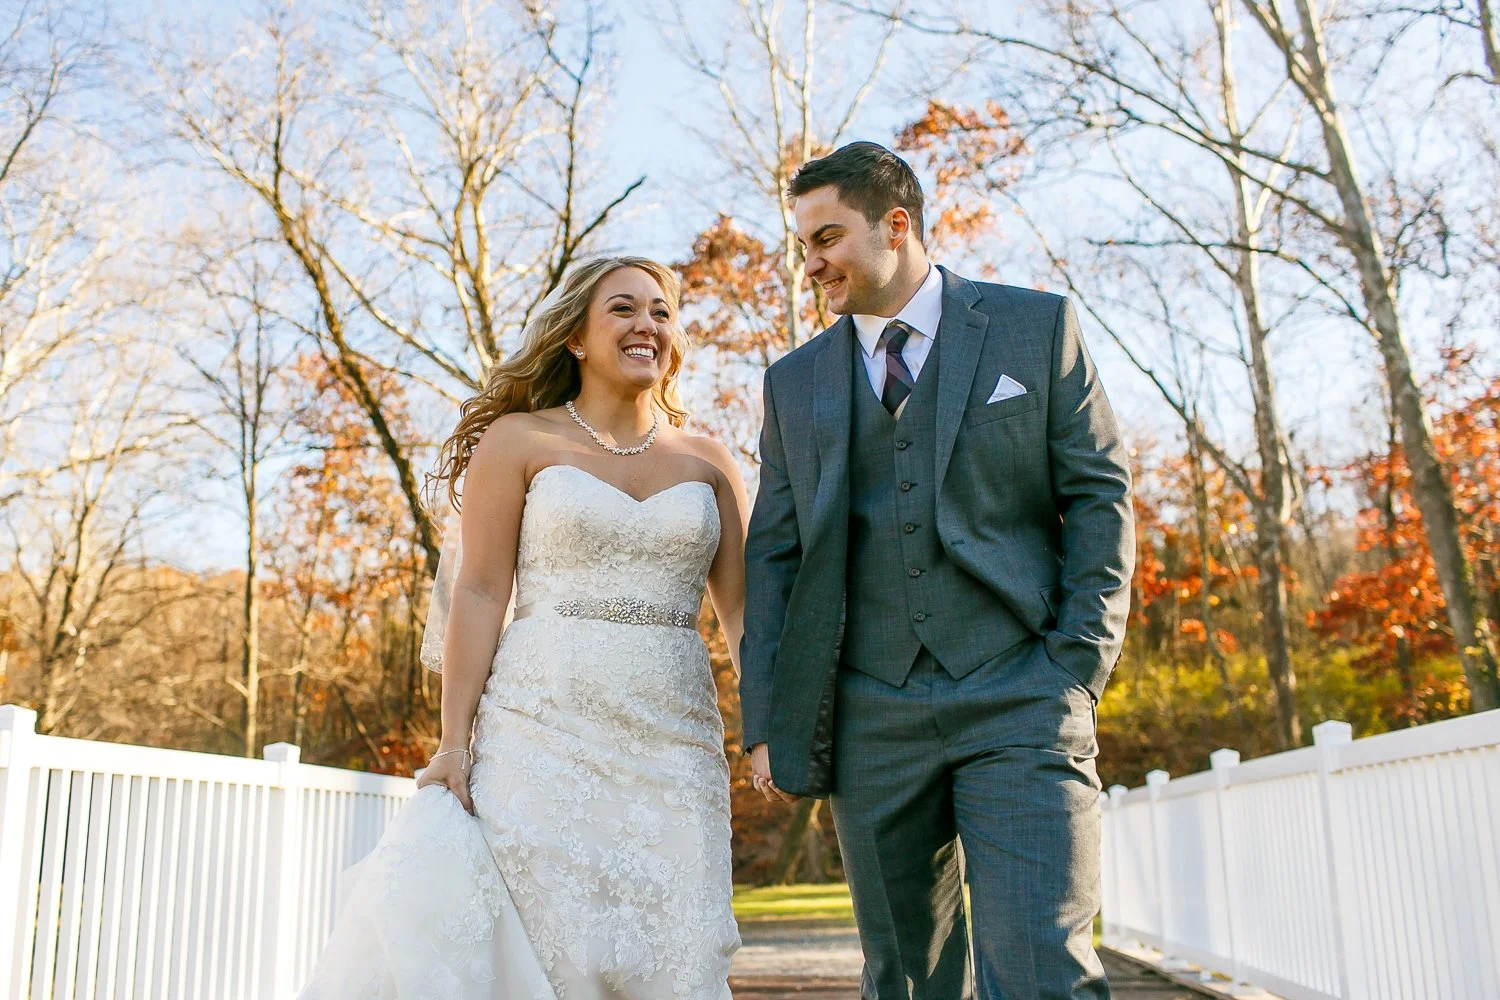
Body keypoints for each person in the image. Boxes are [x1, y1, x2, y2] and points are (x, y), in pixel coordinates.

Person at [739, 142, 1135, 999]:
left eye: (827, 239)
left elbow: (1099, 496)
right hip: (869, 712)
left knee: (1043, 970)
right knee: (907, 981)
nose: (812, 264)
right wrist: (769, 714)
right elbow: (774, 554)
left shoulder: (1035, 328)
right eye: (804, 245)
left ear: (897, 225)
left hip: (1022, 691)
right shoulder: (793, 383)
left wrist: (1078, 662)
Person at [300, 256, 746, 999]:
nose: (647, 324)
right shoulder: (518, 440)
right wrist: (454, 744)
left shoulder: (710, 462)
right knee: (552, 949)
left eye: (662, 312)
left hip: (677, 741)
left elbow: (744, 615)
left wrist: (765, 733)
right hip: (541, 735)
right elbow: (479, 592)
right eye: (623, 308)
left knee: (679, 948)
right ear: (575, 337)